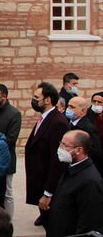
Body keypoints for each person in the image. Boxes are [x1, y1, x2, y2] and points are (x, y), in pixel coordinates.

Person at [25, 81, 69, 229]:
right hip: (39, 178)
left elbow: (57, 161)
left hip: (47, 183)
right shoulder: (44, 117)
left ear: (48, 100)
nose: (34, 100)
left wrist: (48, 192)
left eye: (37, 97)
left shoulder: (57, 122)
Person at [47, 130, 103, 237]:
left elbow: (88, 223)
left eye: (64, 145)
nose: (60, 148)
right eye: (60, 143)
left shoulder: (90, 181)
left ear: (79, 150)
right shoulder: (70, 168)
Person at [0, 83, 21, 217]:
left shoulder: (14, 114)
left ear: (4, 96)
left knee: (7, 192)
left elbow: (11, 139)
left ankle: (8, 220)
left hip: (6, 159)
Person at [66, 96, 103, 174]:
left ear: (82, 111)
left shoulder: (88, 128)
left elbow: (96, 153)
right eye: (68, 106)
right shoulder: (69, 124)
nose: (68, 109)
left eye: (72, 107)